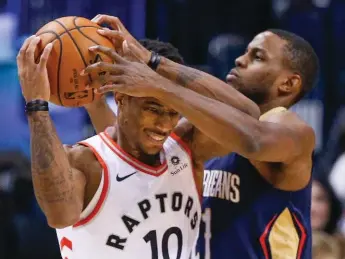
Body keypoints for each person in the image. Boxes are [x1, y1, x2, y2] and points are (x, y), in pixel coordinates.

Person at [84, 16, 318, 259]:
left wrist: (153, 69)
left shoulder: (293, 131)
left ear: (289, 83)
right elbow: (133, 158)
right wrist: (95, 104)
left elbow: (253, 139)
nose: (239, 60)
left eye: (257, 57)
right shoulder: (210, 129)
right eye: (246, 53)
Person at [16, 26, 258, 259]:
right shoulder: (84, 161)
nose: (164, 124)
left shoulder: (187, 147)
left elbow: (249, 116)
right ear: (120, 96)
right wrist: (37, 105)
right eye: (153, 108)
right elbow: (60, 215)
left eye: (174, 111)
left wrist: (153, 64)